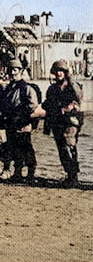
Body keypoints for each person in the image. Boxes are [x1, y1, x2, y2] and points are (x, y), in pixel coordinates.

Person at [42, 59, 84, 187]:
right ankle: (69, 174)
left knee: (69, 146)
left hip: (71, 121)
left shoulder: (72, 86)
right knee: (62, 149)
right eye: (57, 71)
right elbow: (48, 105)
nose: (59, 73)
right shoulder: (53, 89)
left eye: (61, 71)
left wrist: (67, 108)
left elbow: (78, 100)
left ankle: (73, 176)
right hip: (57, 121)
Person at [1, 58, 41, 184]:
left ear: (20, 71)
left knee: (26, 148)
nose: (12, 73)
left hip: (23, 123)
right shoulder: (9, 88)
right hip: (11, 124)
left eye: (15, 70)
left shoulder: (26, 88)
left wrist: (23, 117)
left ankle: (30, 173)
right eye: (10, 70)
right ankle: (17, 172)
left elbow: (33, 106)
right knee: (14, 149)